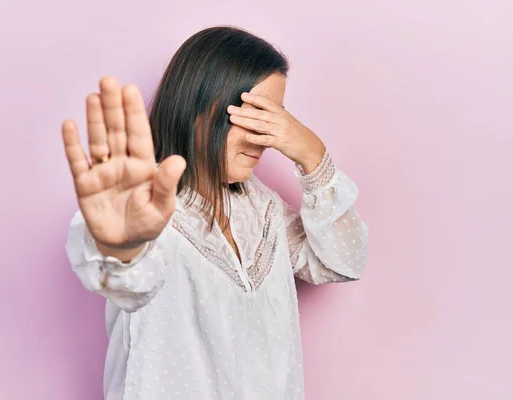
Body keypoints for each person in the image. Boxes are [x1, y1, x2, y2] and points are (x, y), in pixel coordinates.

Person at [63, 25, 369, 400]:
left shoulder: (262, 208)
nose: (265, 138)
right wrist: (122, 247)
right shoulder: (145, 207)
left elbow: (342, 262)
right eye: (254, 115)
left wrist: (312, 154)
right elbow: (128, 283)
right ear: (199, 106)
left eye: (276, 120)